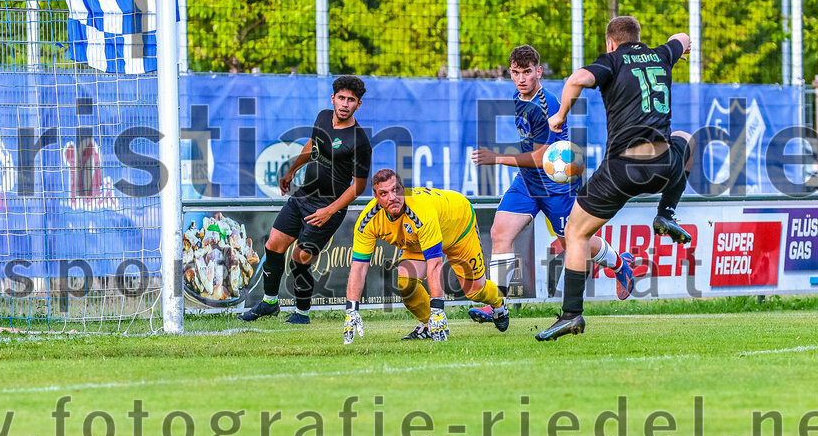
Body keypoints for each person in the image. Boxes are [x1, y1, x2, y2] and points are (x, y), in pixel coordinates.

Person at [536, 16, 694, 341]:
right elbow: (682, 36)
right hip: (664, 166)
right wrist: (683, 46)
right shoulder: (662, 54)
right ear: (638, 38)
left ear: (610, 42)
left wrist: (560, 114)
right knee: (686, 139)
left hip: (624, 168)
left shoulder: (612, 60)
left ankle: (571, 315)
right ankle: (666, 212)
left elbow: (576, 78)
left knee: (575, 232)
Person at [468, 46, 636, 327]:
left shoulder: (545, 106)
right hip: (527, 182)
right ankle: (497, 305)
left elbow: (541, 157)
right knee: (499, 232)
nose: (521, 78)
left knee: (573, 243)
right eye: (516, 72)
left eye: (527, 72)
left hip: (557, 186)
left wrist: (497, 158)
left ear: (539, 71)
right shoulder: (520, 95)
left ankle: (621, 264)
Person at [238, 75, 372, 325]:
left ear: (358, 105)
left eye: (351, 100)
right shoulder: (322, 116)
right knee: (273, 246)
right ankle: (269, 302)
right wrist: (292, 170)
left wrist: (329, 211)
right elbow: (313, 144)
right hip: (302, 196)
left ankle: (302, 313)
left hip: (326, 208)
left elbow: (359, 187)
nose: (344, 104)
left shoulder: (360, 141)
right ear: (333, 99)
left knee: (300, 258)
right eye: (341, 98)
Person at [342, 169, 508, 344]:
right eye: (384, 193)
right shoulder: (368, 221)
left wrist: (438, 309)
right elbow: (359, 267)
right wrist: (351, 310)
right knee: (405, 282)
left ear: (402, 188)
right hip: (419, 240)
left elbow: (435, 264)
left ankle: (499, 304)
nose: (392, 197)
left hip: (458, 226)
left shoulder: (420, 210)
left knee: (475, 291)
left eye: (395, 190)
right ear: (376, 197)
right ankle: (429, 325)